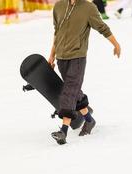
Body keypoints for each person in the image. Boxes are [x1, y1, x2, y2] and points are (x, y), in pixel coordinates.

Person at [48, 0, 121, 145]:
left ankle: (63, 131)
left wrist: (116, 44)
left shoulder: (88, 8)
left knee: (69, 92)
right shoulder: (59, 6)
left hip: (77, 58)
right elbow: (57, 32)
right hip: (62, 58)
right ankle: (89, 120)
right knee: (74, 91)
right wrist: (52, 55)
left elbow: (102, 28)